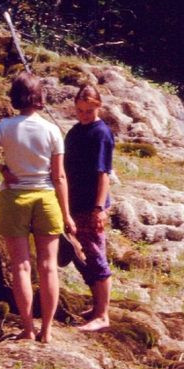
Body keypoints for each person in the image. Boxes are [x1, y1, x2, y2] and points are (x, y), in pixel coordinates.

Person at [0, 72, 76, 343]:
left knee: (21, 267)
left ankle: (28, 329)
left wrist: (1, 167)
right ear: (40, 98)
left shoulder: (5, 126)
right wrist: (67, 214)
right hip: (46, 199)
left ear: (15, 97)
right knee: (49, 267)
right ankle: (47, 332)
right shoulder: (52, 130)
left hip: (15, 198)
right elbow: (59, 176)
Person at [64, 84, 114, 332]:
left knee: (95, 255)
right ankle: (96, 306)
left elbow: (103, 173)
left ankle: (103, 315)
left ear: (98, 107)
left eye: (88, 110)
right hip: (72, 204)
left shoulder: (101, 133)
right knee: (78, 254)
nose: (83, 115)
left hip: (90, 206)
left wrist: (99, 209)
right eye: (80, 110)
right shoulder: (73, 133)